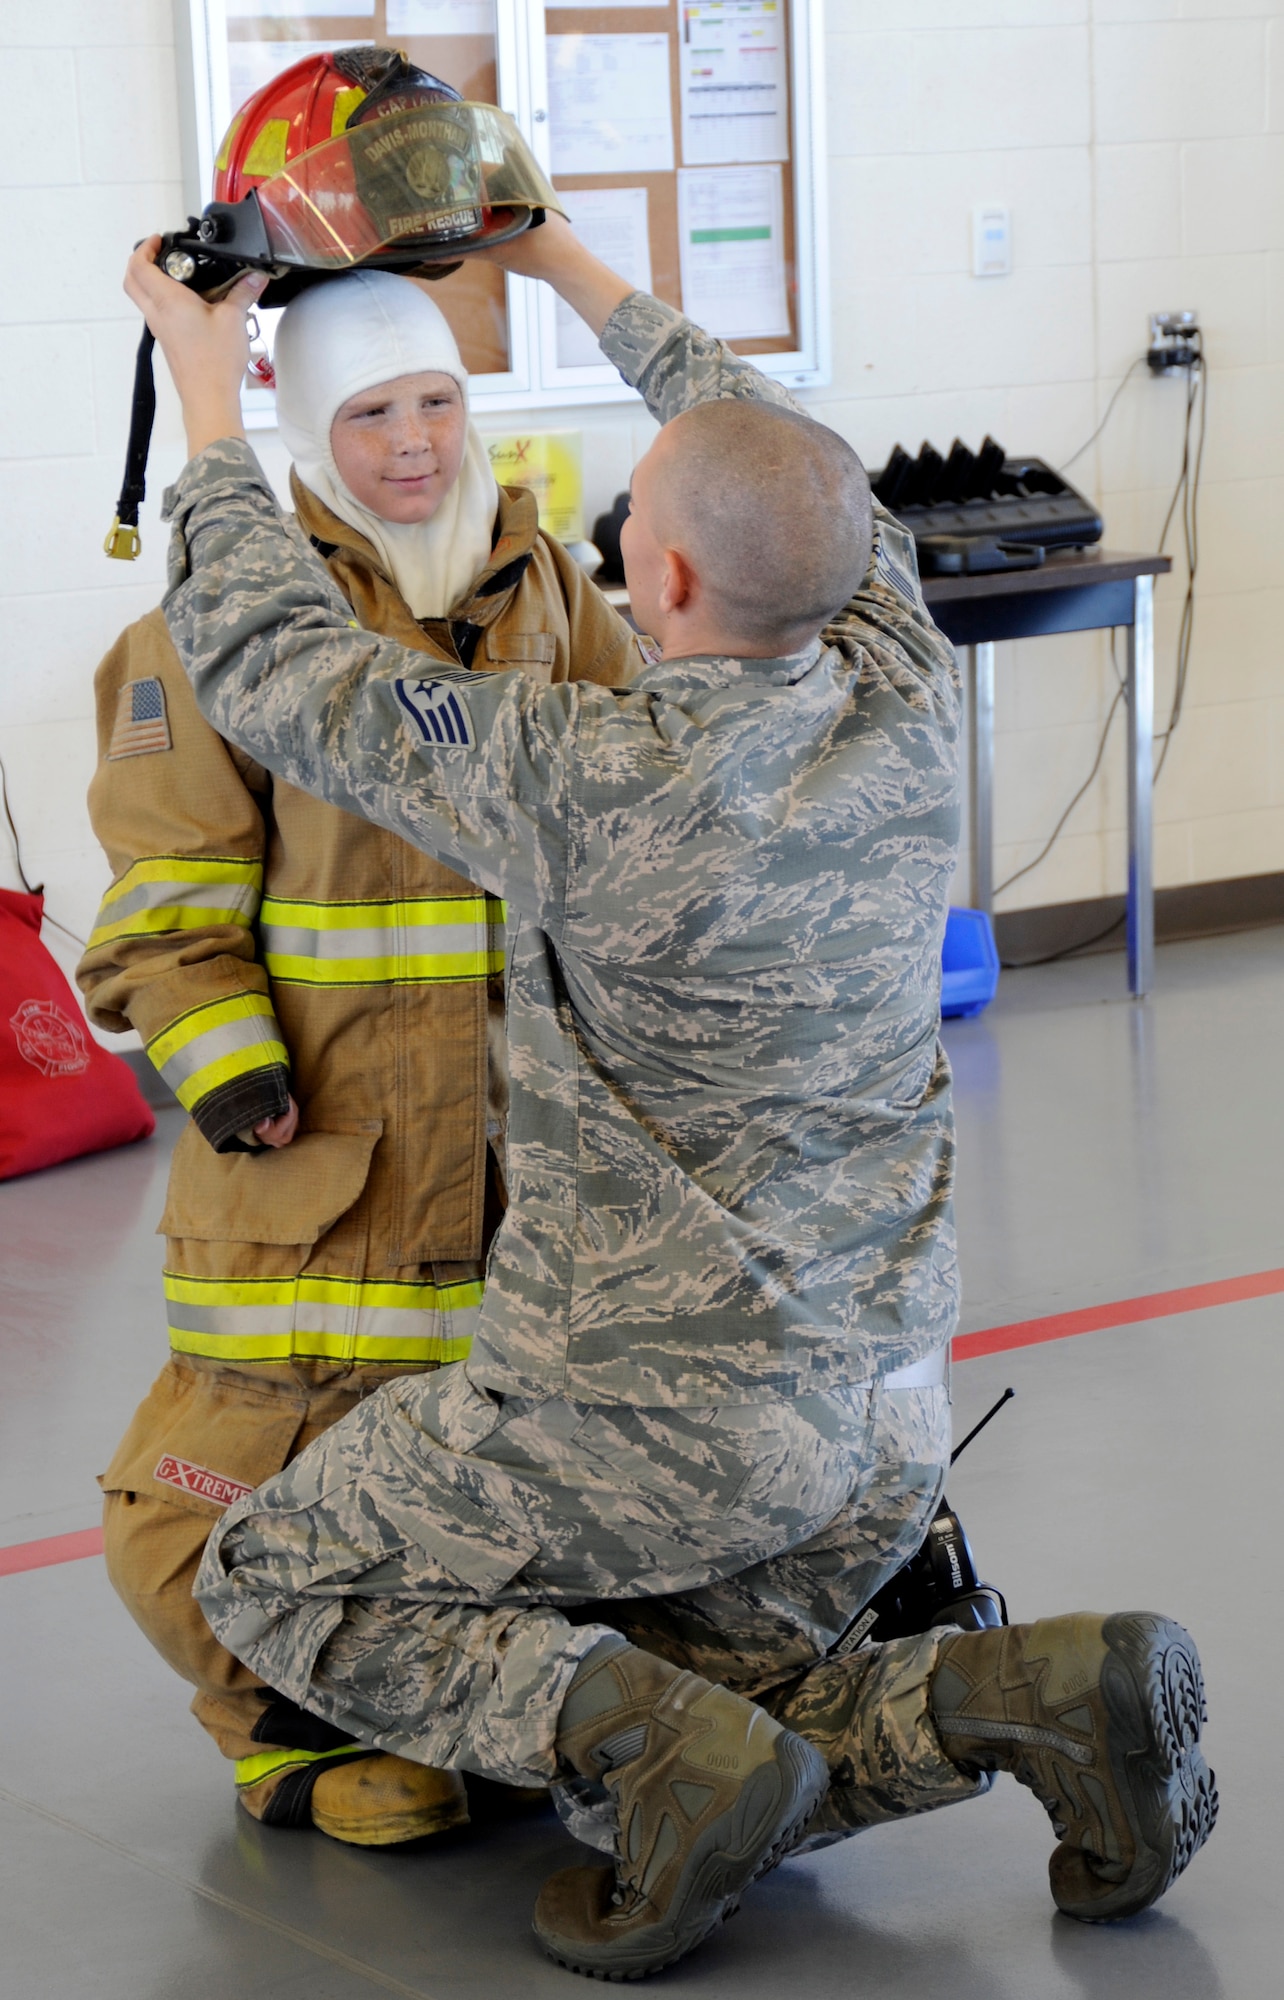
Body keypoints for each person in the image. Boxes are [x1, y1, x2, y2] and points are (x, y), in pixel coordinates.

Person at [125, 217, 1215, 1981]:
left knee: (271, 1581)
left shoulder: (587, 774)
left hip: (651, 1421)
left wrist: (202, 391)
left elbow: (279, 668)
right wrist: (559, 258)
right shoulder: (905, 686)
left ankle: (655, 1759)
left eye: (641, 517)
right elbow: (798, 469)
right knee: (753, 1697)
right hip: (882, 1413)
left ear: (672, 588)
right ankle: (1035, 1694)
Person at [77, 264, 642, 1845]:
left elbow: (629, 814)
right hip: (319, 1161)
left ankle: (503, 1699)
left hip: (534, 1149)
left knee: (527, 1442)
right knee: (263, 1469)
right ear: (305, 428)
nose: (414, 441)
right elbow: (164, 895)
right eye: (373, 412)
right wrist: (226, 1060)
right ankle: (289, 1731)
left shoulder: (545, 594)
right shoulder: (208, 624)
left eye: (438, 401)